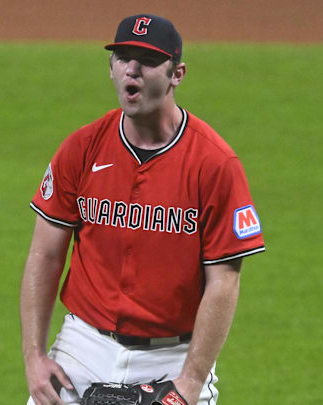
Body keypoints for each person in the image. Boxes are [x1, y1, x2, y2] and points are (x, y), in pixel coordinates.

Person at [20, 14, 265, 405]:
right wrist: (34, 357)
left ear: (177, 74)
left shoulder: (214, 163)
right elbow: (45, 254)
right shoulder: (82, 148)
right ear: (111, 68)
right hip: (82, 349)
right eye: (122, 57)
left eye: (147, 60)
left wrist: (189, 383)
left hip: (172, 358)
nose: (131, 69)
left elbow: (224, 282)